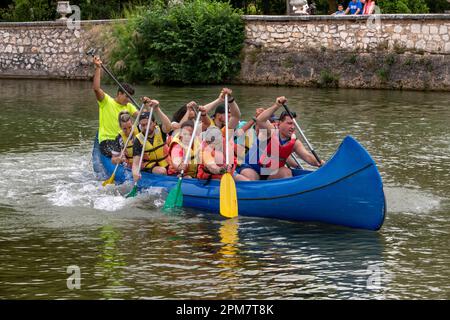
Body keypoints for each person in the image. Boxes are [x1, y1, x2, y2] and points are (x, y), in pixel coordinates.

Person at [256, 96, 324, 180]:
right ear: (280, 123)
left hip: (272, 172)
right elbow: (259, 120)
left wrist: (319, 163)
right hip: (257, 169)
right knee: (286, 172)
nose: (292, 127)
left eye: (293, 124)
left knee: (286, 172)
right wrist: (277, 105)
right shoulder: (272, 131)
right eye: (289, 123)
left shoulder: (294, 142)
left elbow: (307, 157)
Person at [93, 55, 144, 157]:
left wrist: (146, 106)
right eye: (127, 96)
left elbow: (142, 117)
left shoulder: (129, 106)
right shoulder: (106, 101)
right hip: (108, 140)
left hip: (123, 139)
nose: (129, 100)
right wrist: (98, 68)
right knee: (118, 155)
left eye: (130, 97)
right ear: (119, 94)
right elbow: (96, 89)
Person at [132, 100, 172, 181]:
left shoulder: (160, 130)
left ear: (154, 123)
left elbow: (168, 126)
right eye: (143, 125)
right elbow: (136, 163)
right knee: (162, 171)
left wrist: (157, 108)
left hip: (165, 163)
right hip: (150, 166)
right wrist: (135, 173)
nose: (146, 127)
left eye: (148, 124)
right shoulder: (138, 140)